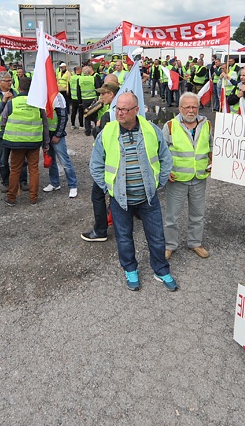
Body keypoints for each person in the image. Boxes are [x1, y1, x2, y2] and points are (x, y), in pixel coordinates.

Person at [89, 92, 177, 292]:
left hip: (148, 196)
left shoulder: (151, 130)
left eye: (124, 109)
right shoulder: (108, 132)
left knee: (156, 236)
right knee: (124, 236)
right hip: (120, 199)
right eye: (117, 108)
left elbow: (165, 159)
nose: (119, 113)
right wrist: (108, 188)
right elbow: (95, 165)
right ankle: (130, 269)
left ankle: (161, 270)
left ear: (136, 110)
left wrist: (157, 184)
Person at [162, 92, 212, 260]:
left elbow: (212, 147)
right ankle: (170, 245)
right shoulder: (170, 126)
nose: (191, 110)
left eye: (194, 107)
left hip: (199, 177)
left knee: (198, 214)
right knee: (172, 217)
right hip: (177, 179)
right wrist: (165, 171)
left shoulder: (207, 125)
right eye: (187, 107)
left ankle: (195, 242)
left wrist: (213, 164)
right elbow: (161, 152)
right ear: (180, 108)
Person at [81, 82, 120, 243]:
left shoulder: (109, 114)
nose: (101, 96)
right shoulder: (119, 109)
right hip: (118, 160)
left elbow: (103, 139)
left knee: (98, 195)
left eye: (103, 94)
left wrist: (97, 128)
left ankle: (100, 230)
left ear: (111, 94)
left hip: (109, 162)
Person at [1, 76, 48, 206]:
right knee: (34, 169)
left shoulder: (12, 102)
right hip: (34, 141)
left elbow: (3, 121)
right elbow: (45, 124)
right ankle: (33, 198)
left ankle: (11, 197)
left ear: (18, 88)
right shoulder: (38, 103)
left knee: (15, 169)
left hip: (16, 142)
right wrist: (46, 143)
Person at [43, 91, 78, 198]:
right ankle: (54, 183)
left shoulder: (57, 96)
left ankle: (72, 186)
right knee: (50, 160)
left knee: (64, 161)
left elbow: (63, 117)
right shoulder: (40, 94)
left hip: (55, 134)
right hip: (45, 134)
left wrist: (58, 134)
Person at [77, 66, 98, 135]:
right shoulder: (93, 78)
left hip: (84, 99)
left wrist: (79, 101)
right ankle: (97, 129)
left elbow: (78, 91)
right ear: (89, 72)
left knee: (86, 115)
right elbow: (97, 88)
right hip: (93, 98)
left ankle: (87, 131)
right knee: (95, 114)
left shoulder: (79, 79)